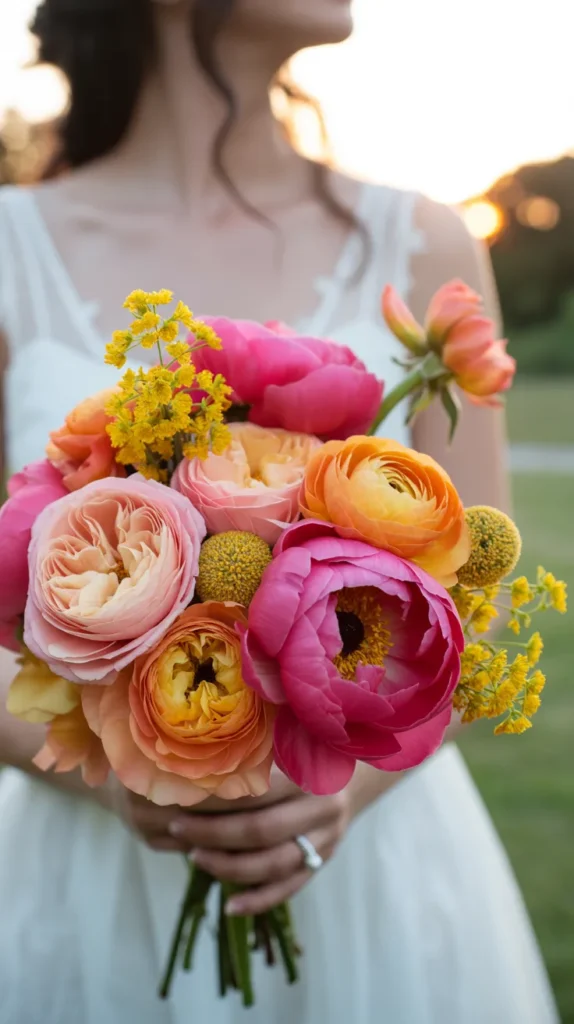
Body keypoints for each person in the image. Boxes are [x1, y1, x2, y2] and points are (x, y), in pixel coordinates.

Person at [0, 1, 558, 1022]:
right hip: (86, 878)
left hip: (378, 868)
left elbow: (469, 612)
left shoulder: (426, 240)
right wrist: (125, 776)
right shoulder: (8, 248)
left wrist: (335, 794)